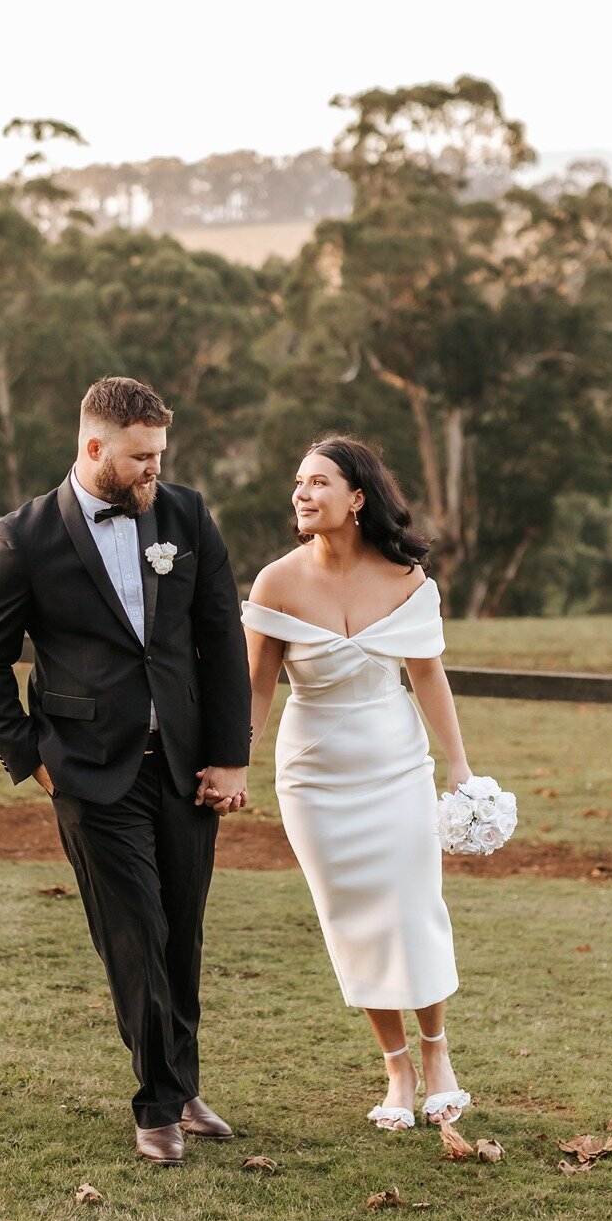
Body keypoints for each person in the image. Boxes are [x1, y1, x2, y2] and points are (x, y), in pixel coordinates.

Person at [0, 377, 251, 1165]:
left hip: (185, 766)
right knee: (135, 935)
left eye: (160, 454)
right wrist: (35, 762)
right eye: (141, 457)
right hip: (87, 772)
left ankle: (180, 1084)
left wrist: (229, 756)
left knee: (181, 932)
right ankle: (156, 1105)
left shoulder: (186, 516)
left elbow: (222, 640)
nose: (155, 470)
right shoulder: (24, 538)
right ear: (94, 448)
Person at [242, 436, 472, 1132]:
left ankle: (437, 1056)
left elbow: (428, 676)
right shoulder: (275, 582)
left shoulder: (406, 580)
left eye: (316, 483)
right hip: (312, 778)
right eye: (297, 483)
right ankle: (395, 1068)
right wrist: (235, 765)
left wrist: (457, 766)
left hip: (395, 768)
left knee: (411, 907)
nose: (301, 495)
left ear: (356, 498)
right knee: (353, 921)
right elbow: (256, 688)